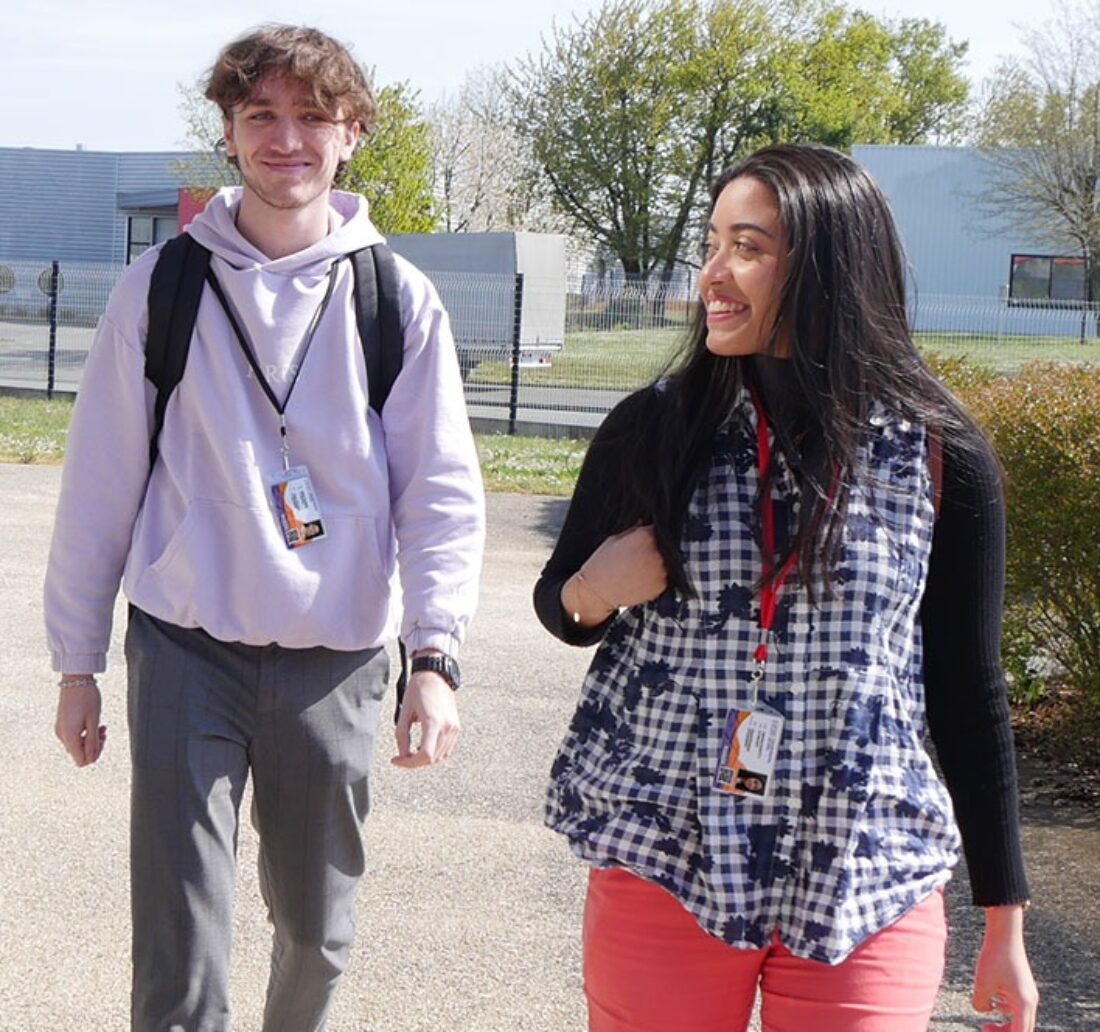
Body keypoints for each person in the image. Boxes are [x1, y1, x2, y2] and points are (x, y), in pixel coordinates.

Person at [533, 143, 1038, 1031]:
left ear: (831, 268)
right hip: (668, 847)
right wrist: (595, 587)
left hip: (863, 863)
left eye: (750, 247)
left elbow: (970, 691)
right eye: (712, 243)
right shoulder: (652, 425)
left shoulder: (935, 450)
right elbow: (561, 606)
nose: (712, 275)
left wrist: (1005, 922)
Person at [46, 24, 484, 1031]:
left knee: (318, 937)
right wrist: (77, 665)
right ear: (230, 136)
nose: (287, 139)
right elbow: (99, 485)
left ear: (352, 135)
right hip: (182, 648)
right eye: (262, 118)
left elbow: (442, 497)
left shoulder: (395, 301)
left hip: (331, 663)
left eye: (312, 117)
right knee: (178, 946)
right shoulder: (162, 287)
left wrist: (434, 659)